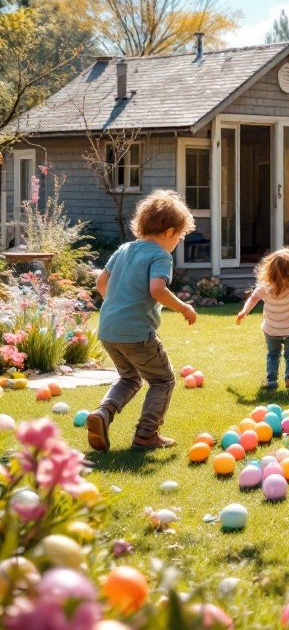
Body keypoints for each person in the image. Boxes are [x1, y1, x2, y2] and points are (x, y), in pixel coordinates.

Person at [86, 189, 196, 452]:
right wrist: (183, 308)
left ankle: (103, 413)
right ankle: (147, 435)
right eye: (179, 236)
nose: (177, 241)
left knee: (130, 377)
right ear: (170, 232)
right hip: (137, 333)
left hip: (109, 329)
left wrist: (118, 303)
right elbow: (157, 289)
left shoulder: (124, 249)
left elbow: (101, 281)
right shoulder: (160, 255)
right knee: (163, 380)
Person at [236, 247, 289, 389]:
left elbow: (253, 299)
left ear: (269, 269)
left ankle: (272, 380)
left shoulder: (265, 287)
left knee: (273, 354)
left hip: (272, 329)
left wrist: (244, 311)